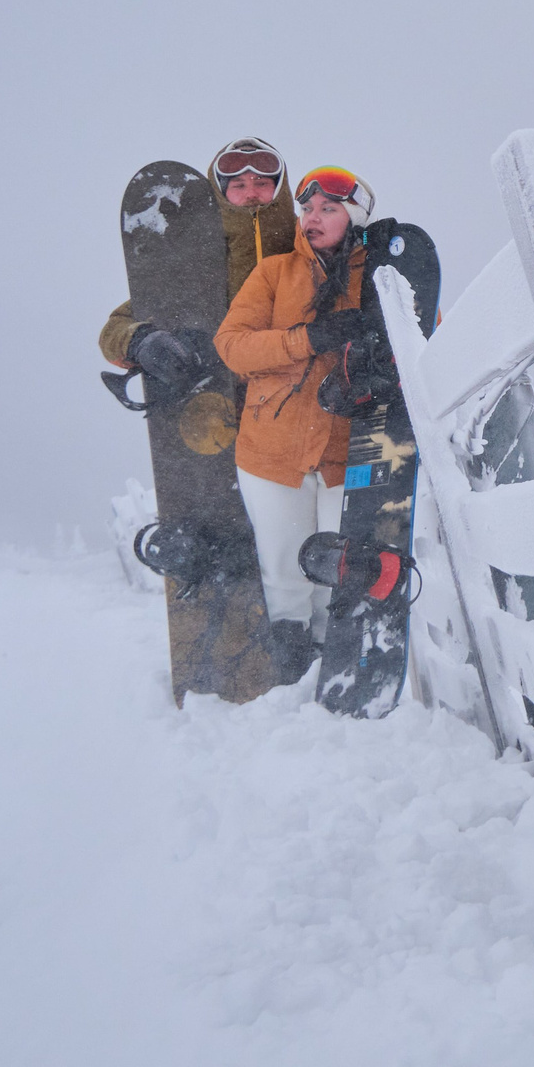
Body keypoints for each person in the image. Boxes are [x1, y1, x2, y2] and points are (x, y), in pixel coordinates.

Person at [211, 164, 412, 685]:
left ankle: (332, 670)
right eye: (307, 209)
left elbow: (419, 339)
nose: (312, 219)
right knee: (284, 575)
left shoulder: (377, 277)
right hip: (271, 455)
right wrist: (308, 338)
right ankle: (289, 669)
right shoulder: (275, 273)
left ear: (354, 217)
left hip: (347, 456)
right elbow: (232, 345)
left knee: (335, 571)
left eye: (328, 209)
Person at [99, 138, 295, 390]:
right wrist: (141, 341)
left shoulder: (307, 247)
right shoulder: (198, 264)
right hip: (222, 407)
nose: (251, 193)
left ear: (280, 188)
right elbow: (115, 329)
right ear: (220, 193)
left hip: (299, 401)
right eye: (238, 185)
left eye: (262, 183)